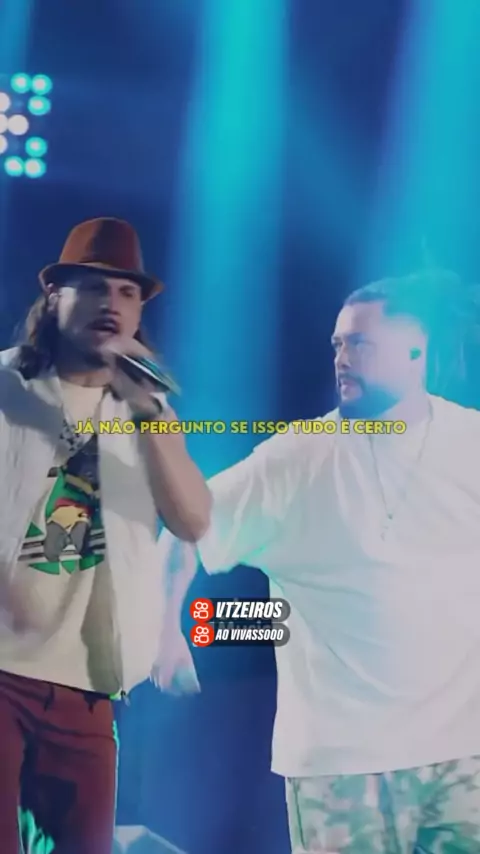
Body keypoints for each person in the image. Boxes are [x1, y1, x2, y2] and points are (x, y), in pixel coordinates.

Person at [157, 273, 480, 853]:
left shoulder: (469, 442)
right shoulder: (294, 460)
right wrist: (164, 634)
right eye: (338, 344)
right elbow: (185, 526)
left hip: (462, 758)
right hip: (343, 766)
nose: (343, 358)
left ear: (416, 353)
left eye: (361, 344)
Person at [0, 216, 211, 854]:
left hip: (89, 687)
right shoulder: (7, 385)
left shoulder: (148, 411)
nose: (111, 304)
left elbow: (193, 521)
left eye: (126, 292)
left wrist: (151, 415)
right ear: (54, 294)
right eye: (93, 287)